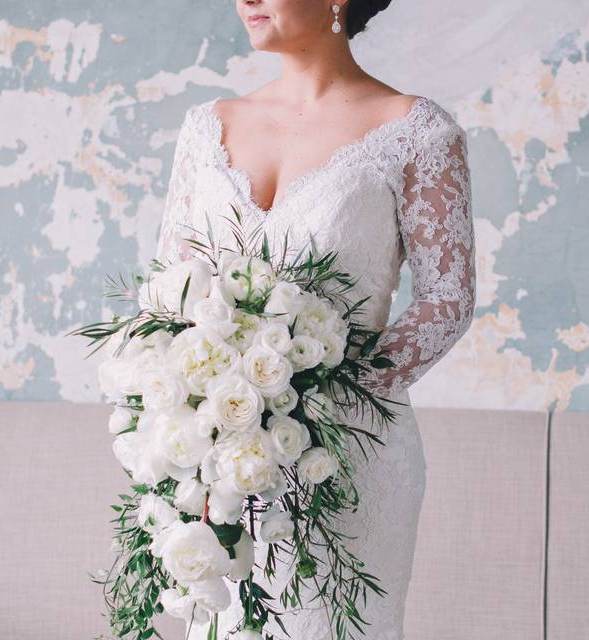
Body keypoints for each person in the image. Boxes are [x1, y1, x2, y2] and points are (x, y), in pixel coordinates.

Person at [155, 1, 476, 638]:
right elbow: (171, 293)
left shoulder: (416, 131)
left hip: (347, 457)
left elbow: (448, 300)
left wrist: (320, 400)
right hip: (219, 456)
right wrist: (193, 412)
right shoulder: (207, 126)